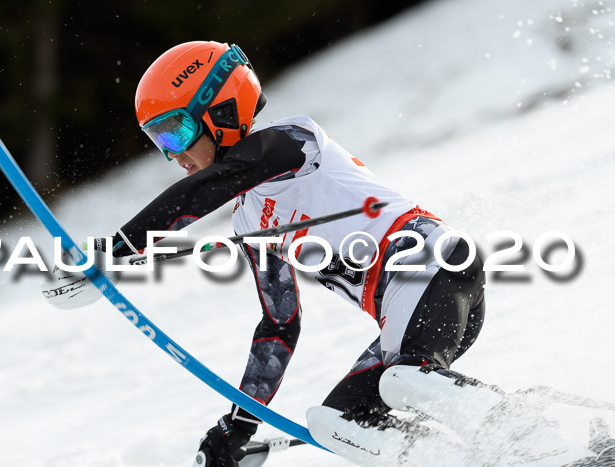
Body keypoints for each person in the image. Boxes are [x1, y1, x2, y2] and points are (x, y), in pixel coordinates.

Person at [106, 40, 487, 465]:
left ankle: (524, 429)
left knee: (406, 380)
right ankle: (495, 454)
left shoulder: (292, 142)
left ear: (222, 111)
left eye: (176, 132)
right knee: (342, 424)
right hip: (406, 312)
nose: (174, 154)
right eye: (160, 140)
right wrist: (239, 426)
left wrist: (117, 246)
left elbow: (208, 188)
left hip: (430, 264)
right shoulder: (250, 222)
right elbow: (278, 324)